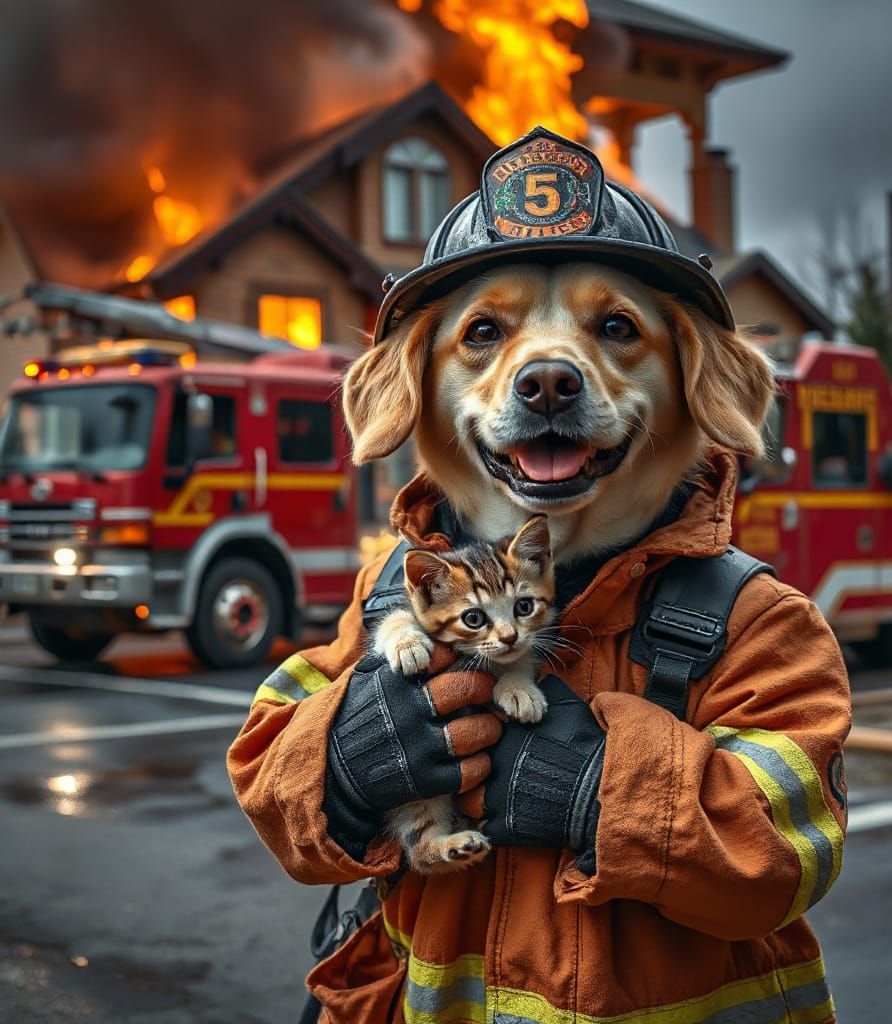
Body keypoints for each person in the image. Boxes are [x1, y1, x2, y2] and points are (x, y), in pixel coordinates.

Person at [228, 127, 851, 1024]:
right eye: (484, 333)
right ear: (419, 382)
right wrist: (341, 766)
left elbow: (789, 861)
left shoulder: (760, 620)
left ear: (688, 379)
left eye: (614, 330)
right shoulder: (395, 589)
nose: (548, 374)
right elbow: (267, 774)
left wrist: (603, 791)